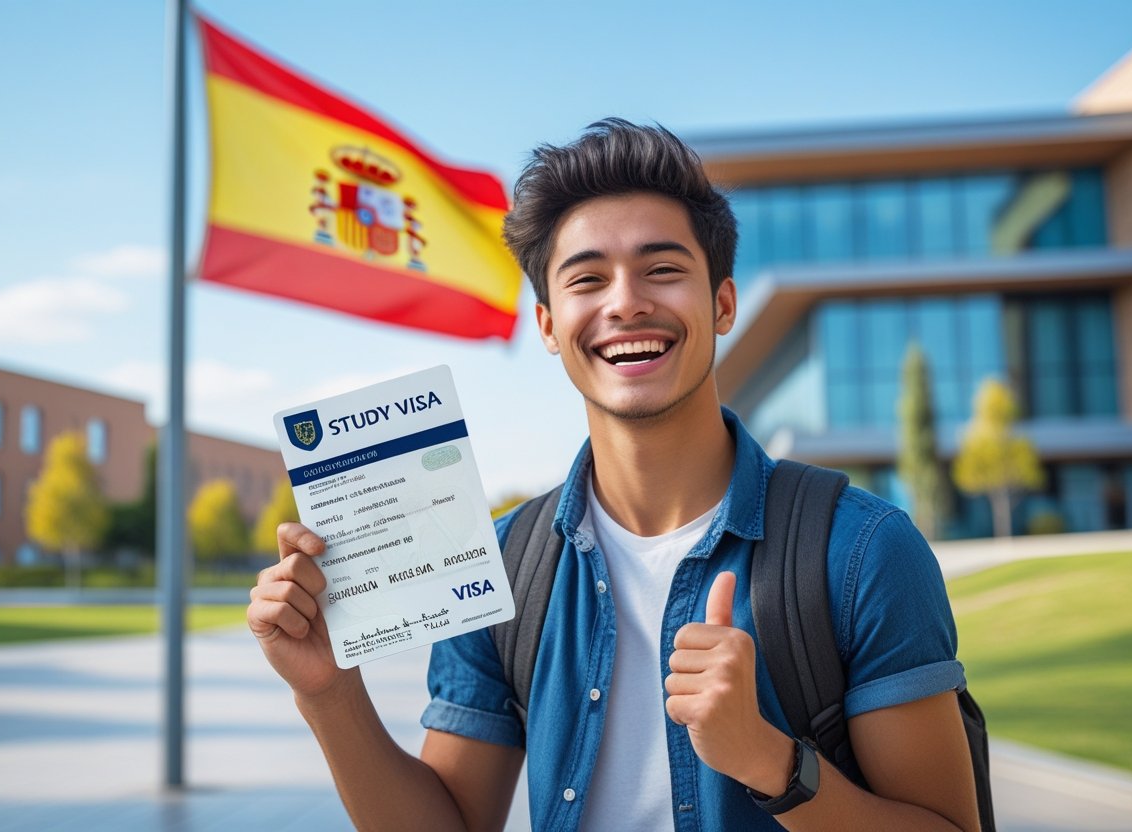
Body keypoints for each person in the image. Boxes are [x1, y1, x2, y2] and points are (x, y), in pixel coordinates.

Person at [249, 118, 981, 832]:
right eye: (587, 278)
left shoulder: (862, 551)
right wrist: (330, 693)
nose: (625, 301)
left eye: (663, 270)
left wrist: (771, 761)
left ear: (722, 303)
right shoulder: (500, 565)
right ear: (547, 325)